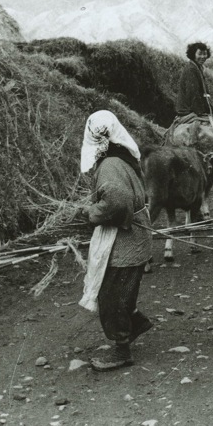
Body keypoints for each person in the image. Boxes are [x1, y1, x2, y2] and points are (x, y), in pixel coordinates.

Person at [76, 110, 154, 371]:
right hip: (136, 237)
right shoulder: (123, 158)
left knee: (111, 296)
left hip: (125, 241)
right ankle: (136, 323)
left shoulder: (109, 165)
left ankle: (122, 350)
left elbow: (118, 202)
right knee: (122, 290)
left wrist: (92, 212)